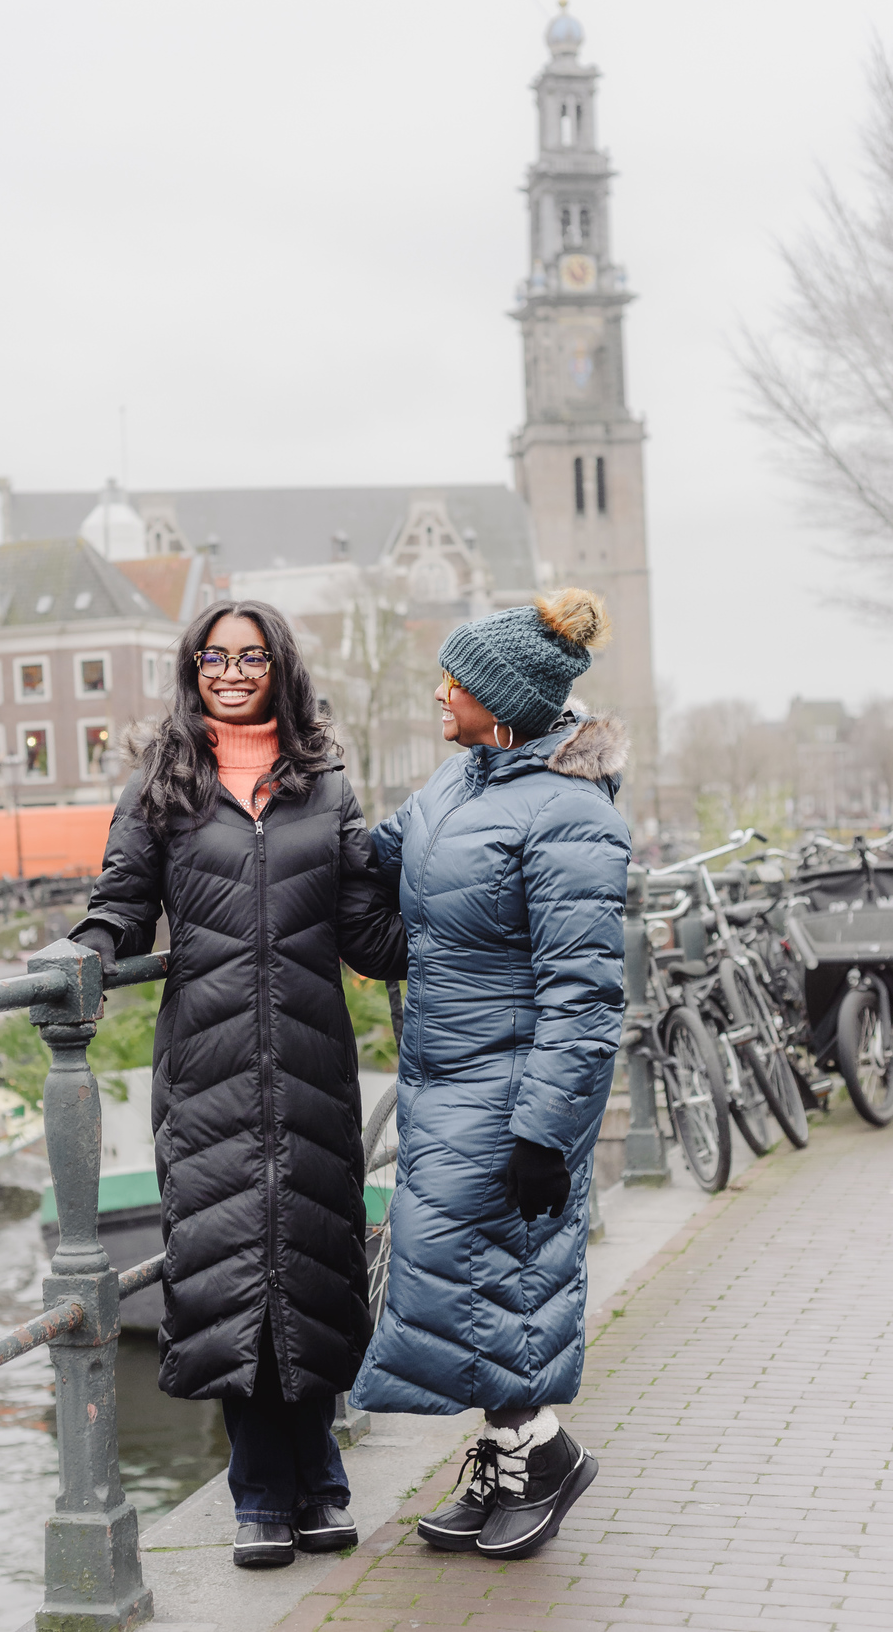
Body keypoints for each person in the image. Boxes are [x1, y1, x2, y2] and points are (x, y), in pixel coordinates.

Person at [70, 600, 406, 1571]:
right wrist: (84, 952)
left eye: (249, 655)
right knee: (227, 1275)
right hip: (211, 1067)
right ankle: (259, 1493)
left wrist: (452, 898)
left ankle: (322, 1477)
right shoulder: (163, 784)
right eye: (213, 655)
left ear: (277, 666)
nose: (229, 669)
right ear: (193, 666)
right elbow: (122, 906)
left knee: (313, 1259)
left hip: (307, 1062)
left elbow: (366, 932)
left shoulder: (324, 785)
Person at [350, 588, 630, 1562]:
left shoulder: (567, 814)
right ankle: (519, 1448)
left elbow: (585, 991)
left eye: (456, 681)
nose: (439, 691)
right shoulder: (457, 784)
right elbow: (375, 866)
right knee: (460, 1280)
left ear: (503, 701)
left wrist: (546, 1131)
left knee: (501, 1277)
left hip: (515, 1093)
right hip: (444, 1077)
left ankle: (536, 1457)